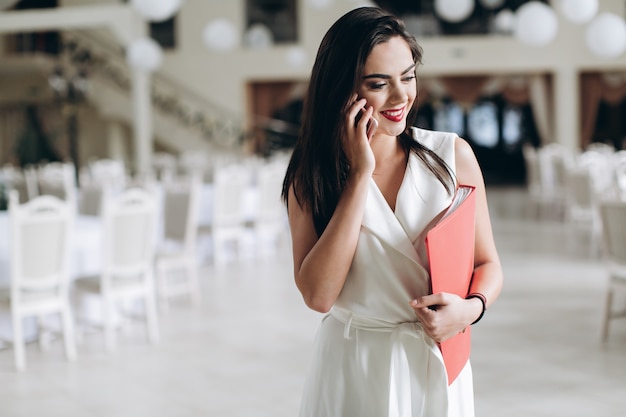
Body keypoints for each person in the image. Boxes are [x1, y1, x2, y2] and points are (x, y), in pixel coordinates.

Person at [281, 6, 503, 417]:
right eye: (379, 84)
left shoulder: (452, 155)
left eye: (408, 76)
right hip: (355, 362)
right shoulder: (312, 177)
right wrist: (360, 175)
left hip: (437, 358)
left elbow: (488, 263)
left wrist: (469, 311)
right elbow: (318, 294)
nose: (401, 97)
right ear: (342, 88)